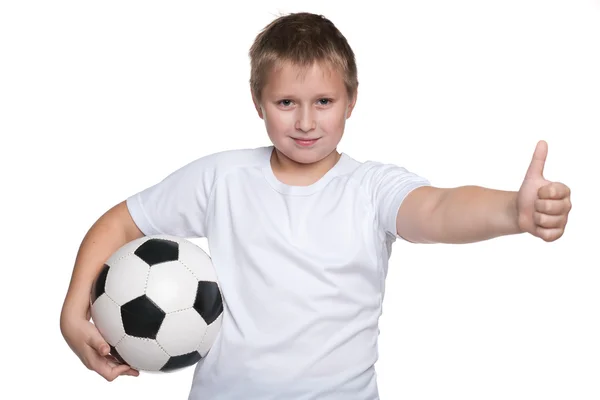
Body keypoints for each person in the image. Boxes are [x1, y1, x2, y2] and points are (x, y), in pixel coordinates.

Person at [59, 11, 572, 400]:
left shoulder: (371, 188)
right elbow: (122, 222)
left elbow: (437, 210)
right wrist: (71, 310)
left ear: (351, 100)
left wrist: (513, 212)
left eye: (323, 102)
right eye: (287, 103)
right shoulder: (222, 178)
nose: (305, 122)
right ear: (258, 103)